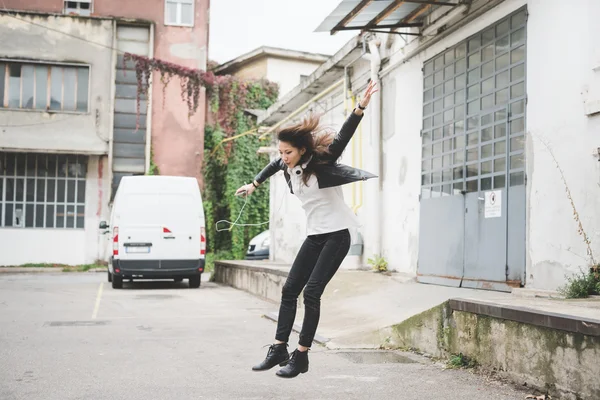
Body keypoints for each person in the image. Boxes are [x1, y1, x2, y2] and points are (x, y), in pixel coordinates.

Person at [235, 81, 378, 378]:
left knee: (311, 293)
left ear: (301, 150)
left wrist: (359, 108)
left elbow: (342, 137)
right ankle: (278, 348)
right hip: (315, 235)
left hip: (337, 235)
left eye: (288, 152)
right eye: (281, 152)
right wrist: (254, 184)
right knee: (289, 290)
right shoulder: (287, 165)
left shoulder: (323, 162)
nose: (283, 157)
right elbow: (273, 166)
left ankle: (301, 356)